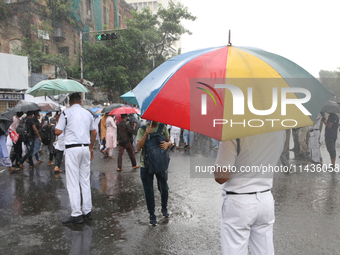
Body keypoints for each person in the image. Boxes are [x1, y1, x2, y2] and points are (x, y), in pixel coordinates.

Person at [214, 131, 285, 255]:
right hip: (265, 197)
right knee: (265, 251)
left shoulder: (234, 134)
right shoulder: (280, 131)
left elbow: (221, 177)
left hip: (239, 200)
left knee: (234, 249)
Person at [55, 93, 97, 225]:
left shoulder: (66, 113)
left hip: (72, 149)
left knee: (73, 182)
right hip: (85, 148)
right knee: (84, 180)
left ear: (69, 101)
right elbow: (94, 132)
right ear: (80, 101)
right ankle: (87, 211)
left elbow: (57, 131)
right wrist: (91, 147)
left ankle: (76, 214)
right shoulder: (88, 113)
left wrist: (58, 121)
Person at [137, 121, 171, 225]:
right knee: (149, 191)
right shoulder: (142, 129)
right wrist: (146, 134)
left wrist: (167, 144)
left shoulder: (163, 127)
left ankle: (164, 207)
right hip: (146, 165)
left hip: (161, 163)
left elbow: (169, 141)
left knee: (164, 188)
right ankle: (151, 214)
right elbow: (138, 147)